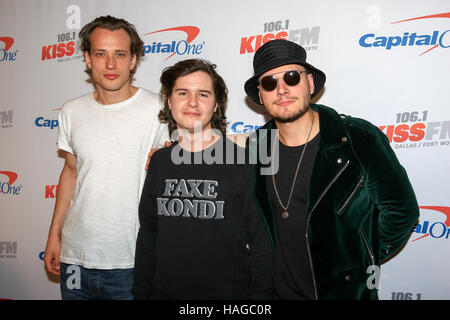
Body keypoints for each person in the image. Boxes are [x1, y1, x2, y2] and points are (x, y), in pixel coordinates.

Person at [244, 39, 419, 300]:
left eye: (292, 77)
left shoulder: (358, 139)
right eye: (269, 83)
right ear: (260, 95)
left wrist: (359, 258)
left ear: (311, 83)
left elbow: (402, 212)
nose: (281, 89)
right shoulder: (256, 146)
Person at [43, 15, 168, 300]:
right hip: (74, 259)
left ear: (133, 60)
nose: (111, 65)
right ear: (88, 58)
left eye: (120, 54)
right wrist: (54, 236)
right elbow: (71, 173)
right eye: (101, 54)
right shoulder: (71, 112)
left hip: (131, 261)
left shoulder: (158, 110)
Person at [133, 59, 273, 300]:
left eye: (203, 94)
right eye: (183, 93)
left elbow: (263, 247)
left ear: (217, 104)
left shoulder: (243, 163)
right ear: (169, 101)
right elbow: (148, 238)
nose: (192, 103)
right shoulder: (159, 162)